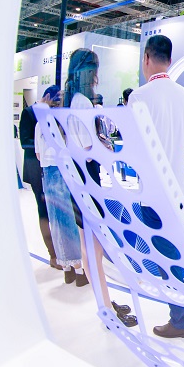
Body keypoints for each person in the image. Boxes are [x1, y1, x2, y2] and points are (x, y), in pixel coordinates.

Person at [127, 35, 184, 339]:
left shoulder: (138, 97)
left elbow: (133, 147)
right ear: (169, 60)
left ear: (146, 58)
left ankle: (180, 321)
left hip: (155, 196)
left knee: (167, 260)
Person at [62, 48, 137, 326]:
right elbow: (89, 149)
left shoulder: (70, 99)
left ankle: (104, 304)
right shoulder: (82, 103)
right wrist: (104, 145)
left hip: (77, 179)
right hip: (87, 179)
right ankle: (107, 311)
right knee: (93, 251)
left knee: (88, 248)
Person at [20, 85, 62, 269]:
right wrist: (43, 143)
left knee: (57, 209)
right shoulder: (29, 113)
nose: (58, 104)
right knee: (43, 208)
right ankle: (52, 255)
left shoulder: (52, 113)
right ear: (47, 97)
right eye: (56, 100)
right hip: (35, 166)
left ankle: (62, 254)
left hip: (51, 166)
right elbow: (24, 141)